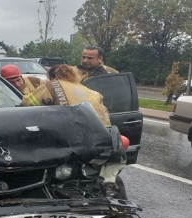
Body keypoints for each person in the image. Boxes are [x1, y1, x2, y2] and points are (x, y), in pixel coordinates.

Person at [22, 65, 123, 197]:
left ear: (53, 77)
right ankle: (108, 182)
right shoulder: (90, 90)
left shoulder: (51, 85)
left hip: (71, 134)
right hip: (102, 136)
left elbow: (26, 104)